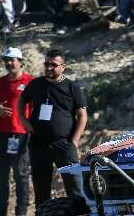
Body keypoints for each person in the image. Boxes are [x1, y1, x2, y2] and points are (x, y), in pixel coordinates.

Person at [18, 49, 86, 207]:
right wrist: (24, 122)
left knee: (75, 187)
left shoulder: (72, 87)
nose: (49, 67)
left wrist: (75, 141)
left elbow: (82, 115)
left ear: (63, 67)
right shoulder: (36, 84)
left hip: (64, 144)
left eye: (53, 65)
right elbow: (21, 102)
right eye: (46, 64)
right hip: (38, 143)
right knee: (41, 189)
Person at [0, 47, 33, 216]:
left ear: (20, 62)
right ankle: (0, 214)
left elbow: (36, 108)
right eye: (6, 60)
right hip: (0, 134)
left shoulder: (30, 81)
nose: (8, 63)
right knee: (1, 175)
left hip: (20, 134)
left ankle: (21, 214)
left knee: (20, 174)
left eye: (12, 60)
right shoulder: (0, 82)